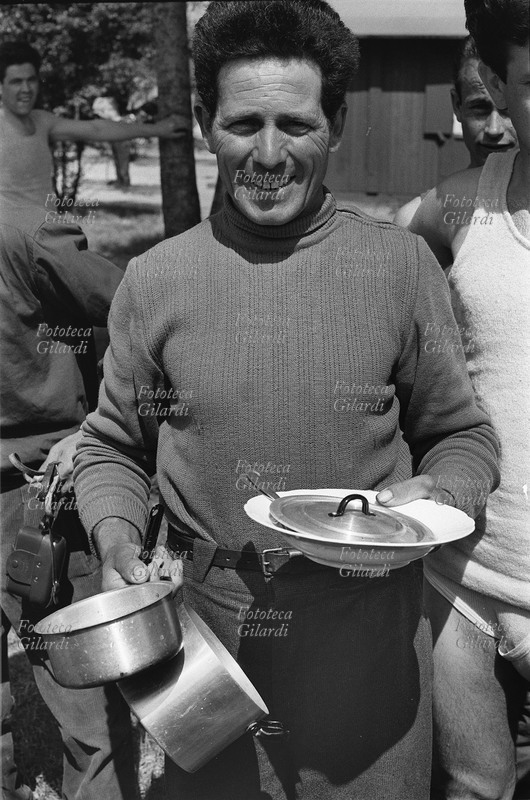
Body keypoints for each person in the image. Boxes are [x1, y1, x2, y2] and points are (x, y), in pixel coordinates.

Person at [73, 2, 500, 798]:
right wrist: (115, 538)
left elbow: (463, 436)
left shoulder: (400, 269)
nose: (269, 154)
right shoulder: (156, 279)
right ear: (205, 123)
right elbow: (111, 447)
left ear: (335, 122)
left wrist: (437, 493)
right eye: (244, 123)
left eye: (296, 124)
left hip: (368, 651)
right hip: (208, 650)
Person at [405, 0, 530, 797]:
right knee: (475, 789)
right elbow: (346, 252)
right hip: (468, 578)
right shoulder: (458, 207)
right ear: (498, 84)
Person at [0, 204, 139, 800]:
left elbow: (145, 309)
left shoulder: (28, 237)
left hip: (35, 500)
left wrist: (96, 431)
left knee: (88, 718)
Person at [0, 41, 186, 208]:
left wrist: (158, 129)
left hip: (44, 234)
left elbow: (97, 129)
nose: (26, 89)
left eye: (31, 80)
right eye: (16, 82)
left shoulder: (42, 121)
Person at [394, 35, 517, 228]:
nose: (494, 129)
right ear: (457, 106)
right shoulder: (419, 223)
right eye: (479, 108)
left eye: (509, 109)